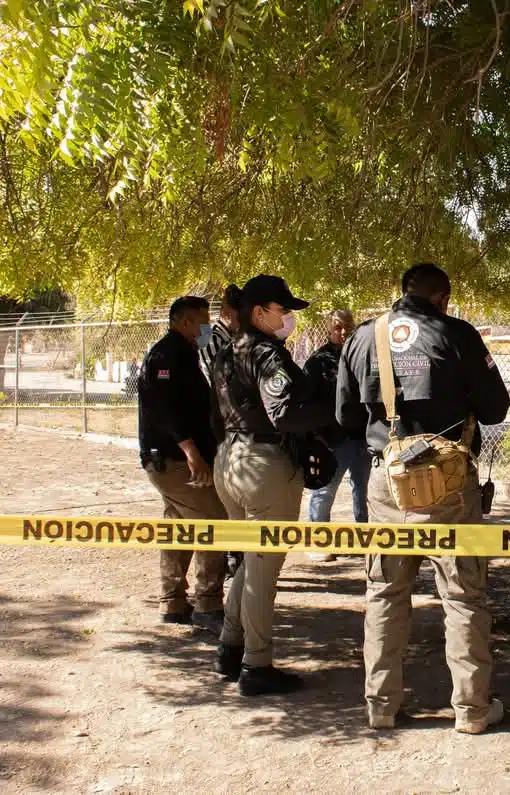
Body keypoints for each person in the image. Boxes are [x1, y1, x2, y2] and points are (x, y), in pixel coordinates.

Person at [336, 262, 510, 734]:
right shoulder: (457, 334)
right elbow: (496, 408)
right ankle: (472, 711)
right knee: (462, 596)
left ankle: (381, 707)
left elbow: (345, 417)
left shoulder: (362, 339)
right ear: (442, 298)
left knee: (385, 593)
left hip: (387, 483)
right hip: (449, 486)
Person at [210, 274, 332, 696]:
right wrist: (331, 416)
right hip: (263, 465)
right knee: (264, 568)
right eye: (284, 311)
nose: (289, 319)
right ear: (260, 312)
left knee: (249, 561)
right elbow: (284, 413)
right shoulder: (265, 354)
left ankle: (230, 645)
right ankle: (256, 665)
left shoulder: (226, 352)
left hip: (230, 459)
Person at [137, 296, 227, 635]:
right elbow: (166, 410)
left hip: (177, 459)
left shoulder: (185, 354)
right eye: (204, 322)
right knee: (214, 521)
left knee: (178, 526)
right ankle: (208, 603)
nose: (207, 328)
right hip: (174, 461)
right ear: (185, 321)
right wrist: (192, 453)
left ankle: (172, 601)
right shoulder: (167, 355)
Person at [304, 309, 371, 561]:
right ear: (329, 329)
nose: (343, 332)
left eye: (348, 327)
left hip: (362, 437)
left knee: (362, 489)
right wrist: (318, 435)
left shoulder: (363, 355)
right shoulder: (318, 361)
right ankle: (319, 542)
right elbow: (309, 400)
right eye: (338, 327)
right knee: (325, 490)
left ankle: (362, 538)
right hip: (332, 439)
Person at [200, 283, 244, 580]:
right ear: (229, 311)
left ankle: (236, 553)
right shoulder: (213, 339)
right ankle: (231, 555)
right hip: (217, 426)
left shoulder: (232, 338)